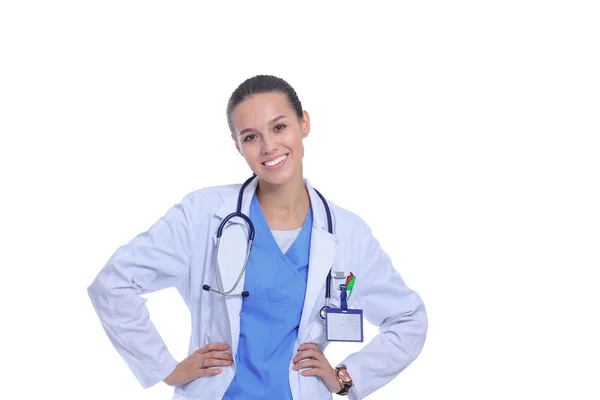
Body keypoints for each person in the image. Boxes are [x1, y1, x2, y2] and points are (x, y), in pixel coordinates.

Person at [87, 74, 428, 400]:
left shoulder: (348, 232)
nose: (268, 147)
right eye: (251, 136)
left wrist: (344, 377)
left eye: (279, 127)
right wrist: (164, 368)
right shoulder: (203, 214)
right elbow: (114, 283)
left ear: (304, 124)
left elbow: (409, 320)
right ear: (237, 146)